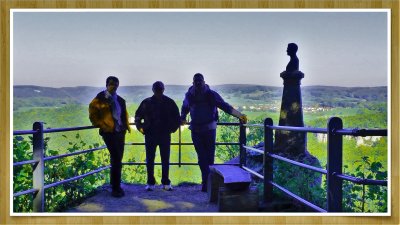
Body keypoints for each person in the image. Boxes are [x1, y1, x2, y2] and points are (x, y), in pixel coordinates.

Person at [180, 73, 248, 192]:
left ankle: (207, 183)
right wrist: (182, 116)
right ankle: (207, 182)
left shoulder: (202, 95)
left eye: (199, 81)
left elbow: (225, 106)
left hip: (204, 129)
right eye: (196, 81)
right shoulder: (192, 95)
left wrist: (239, 115)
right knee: (204, 157)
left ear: (203, 82)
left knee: (206, 157)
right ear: (194, 82)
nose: (198, 83)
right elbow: (185, 108)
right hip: (202, 129)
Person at [89, 76, 131, 198]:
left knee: (117, 158)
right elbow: (92, 115)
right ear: (107, 84)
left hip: (119, 131)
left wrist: (125, 127)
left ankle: (114, 184)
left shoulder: (120, 100)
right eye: (112, 84)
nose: (114, 86)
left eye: (116, 84)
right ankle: (116, 188)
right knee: (117, 158)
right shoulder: (99, 99)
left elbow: (123, 114)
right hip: (108, 132)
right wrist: (102, 125)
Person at [135, 81, 180, 191]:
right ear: (154, 90)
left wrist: (141, 128)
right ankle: (160, 182)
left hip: (158, 135)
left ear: (162, 89)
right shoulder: (169, 102)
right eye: (157, 89)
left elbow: (176, 119)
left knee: (160, 159)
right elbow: (137, 116)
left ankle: (155, 183)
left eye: (159, 89)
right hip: (156, 135)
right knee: (156, 159)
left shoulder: (147, 102)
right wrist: (141, 128)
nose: (159, 91)